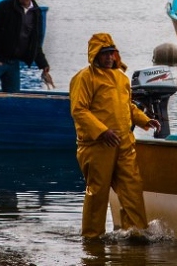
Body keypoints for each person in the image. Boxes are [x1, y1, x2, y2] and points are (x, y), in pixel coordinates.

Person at [69, 33, 159, 239]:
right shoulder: (84, 78)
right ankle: (92, 237)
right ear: (95, 55)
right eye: (104, 53)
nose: (109, 57)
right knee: (97, 192)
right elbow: (79, 110)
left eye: (112, 53)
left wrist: (144, 120)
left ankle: (135, 234)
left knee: (132, 188)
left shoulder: (121, 78)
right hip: (96, 145)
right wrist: (102, 131)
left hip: (124, 143)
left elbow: (127, 107)